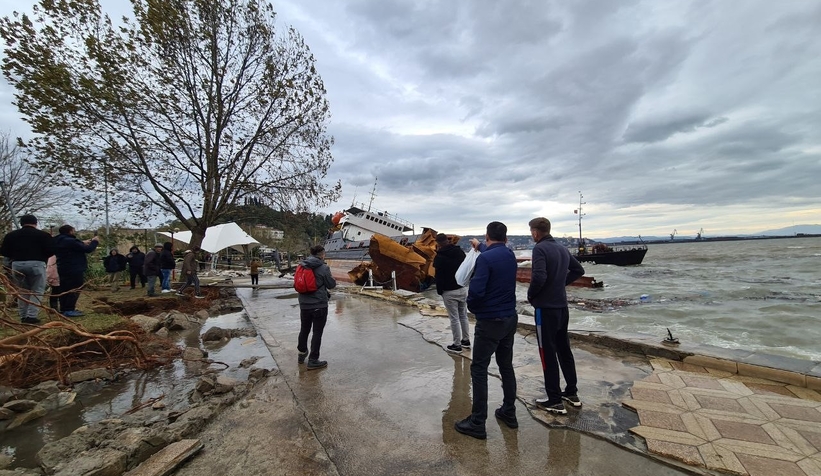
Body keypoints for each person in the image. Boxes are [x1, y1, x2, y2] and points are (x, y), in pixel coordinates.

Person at [454, 221, 519, 440]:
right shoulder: (509, 255)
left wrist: (473, 307)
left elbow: (477, 292)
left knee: (479, 369)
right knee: (506, 365)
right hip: (510, 318)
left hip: (490, 321)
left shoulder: (485, 259)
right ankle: (509, 412)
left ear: (487, 236)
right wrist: (479, 245)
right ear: (507, 239)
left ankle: (477, 422)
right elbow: (493, 251)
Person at [528, 217, 586, 414]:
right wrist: (560, 284)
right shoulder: (561, 248)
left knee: (547, 352)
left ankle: (553, 399)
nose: (531, 235)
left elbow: (539, 277)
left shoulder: (540, 249)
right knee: (564, 349)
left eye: (531, 232)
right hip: (562, 307)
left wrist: (532, 295)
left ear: (535, 232)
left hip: (546, 308)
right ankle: (571, 392)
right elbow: (578, 269)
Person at [0, 214, 54, 324]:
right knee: (37, 290)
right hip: (36, 264)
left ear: (21, 223)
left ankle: (23, 316)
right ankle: (31, 316)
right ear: (35, 223)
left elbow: (4, 252)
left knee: (22, 291)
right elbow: (51, 251)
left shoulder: (11, 235)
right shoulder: (43, 235)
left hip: (17, 264)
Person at [297, 245, 336, 370]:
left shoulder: (302, 265)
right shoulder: (323, 267)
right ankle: (313, 360)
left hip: (304, 304)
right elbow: (331, 285)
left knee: (304, 329)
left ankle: (302, 353)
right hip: (319, 304)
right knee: (317, 332)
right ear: (322, 254)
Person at [433, 233, 470, 353]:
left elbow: (437, 275)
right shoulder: (459, 252)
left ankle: (457, 344)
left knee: (454, 318)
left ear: (438, 243)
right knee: (463, 315)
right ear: (448, 241)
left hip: (449, 291)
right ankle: (466, 340)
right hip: (462, 288)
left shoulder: (439, 257)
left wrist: (440, 291)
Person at [53, 224, 98, 318]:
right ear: (70, 231)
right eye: (73, 230)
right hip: (74, 268)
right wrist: (95, 242)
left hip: (62, 267)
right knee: (75, 288)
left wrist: (81, 242)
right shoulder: (70, 241)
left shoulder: (58, 240)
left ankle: (64, 308)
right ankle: (70, 309)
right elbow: (88, 249)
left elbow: (73, 246)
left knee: (64, 289)